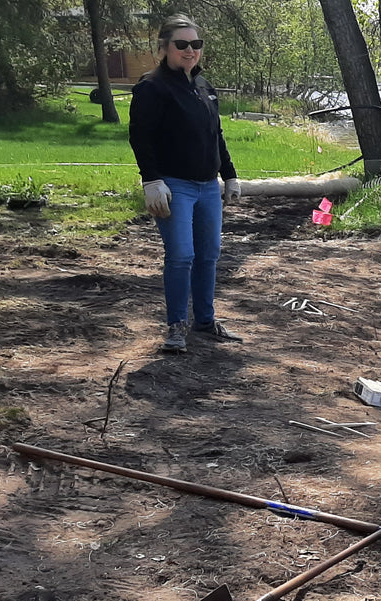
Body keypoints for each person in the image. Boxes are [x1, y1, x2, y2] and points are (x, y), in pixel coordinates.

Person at [129, 14, 243, 354]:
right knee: (181, 255)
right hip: (173, 186)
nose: (190, 50)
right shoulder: (152, 87)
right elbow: (140, 137)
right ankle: (176, 326)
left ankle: (205, 322)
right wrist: (151, 180)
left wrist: (230, 174)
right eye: (182, 45)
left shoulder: (204, 86)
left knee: (209, 255)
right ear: (164, 48)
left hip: (208, 187)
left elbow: (215, 135)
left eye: (196, 44)